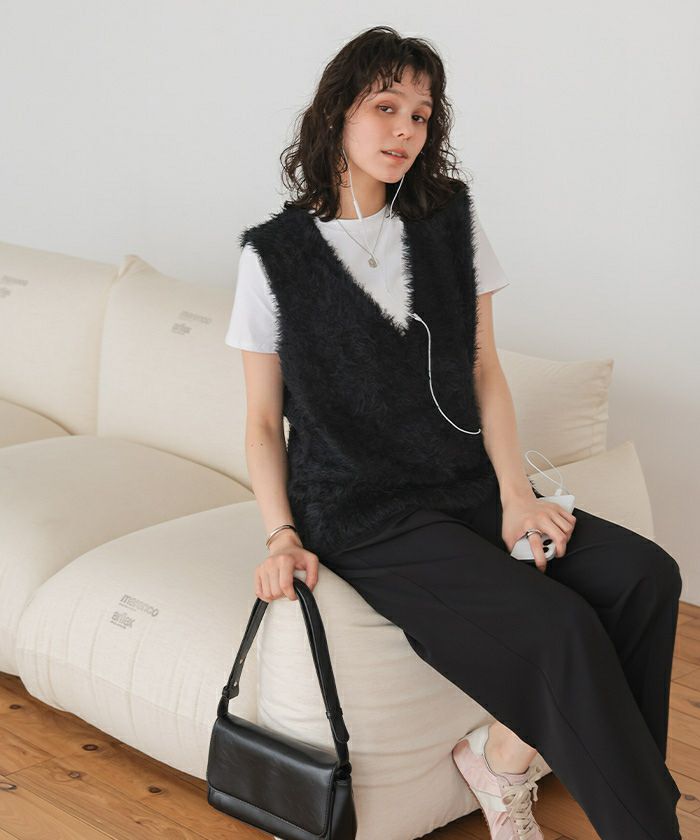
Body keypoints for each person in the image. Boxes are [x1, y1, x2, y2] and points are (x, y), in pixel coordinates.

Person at [225, 25, 683, 840]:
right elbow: (263, 421)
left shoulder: (448, 224)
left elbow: (484, 372)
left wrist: (515, 497)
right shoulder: (274, 258)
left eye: (421, 114)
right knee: (560, 628)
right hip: (363, 513)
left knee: (645, 574)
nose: (406, 129)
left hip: (464, 483)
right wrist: (281, 534)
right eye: (386, 106)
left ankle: (506, 759)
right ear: (336, 113)